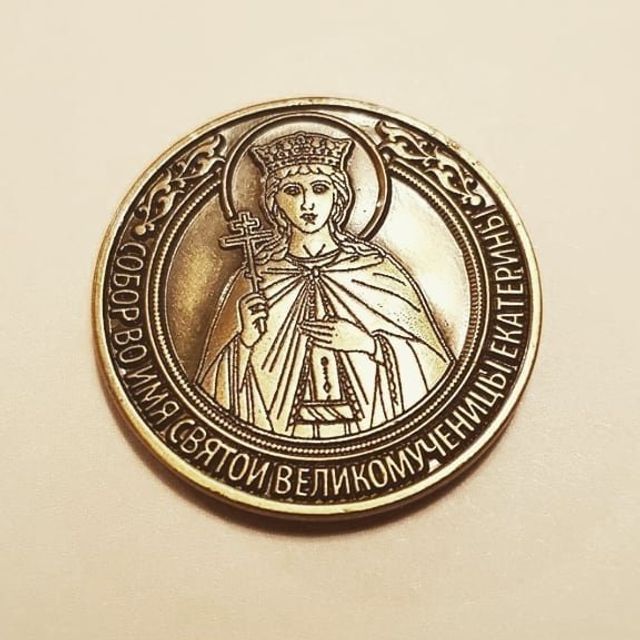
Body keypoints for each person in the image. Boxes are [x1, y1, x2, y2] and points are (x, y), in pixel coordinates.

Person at [196, 131, 453, 438]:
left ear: (338, 197)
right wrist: (245, 342)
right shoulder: (256, 280)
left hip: (367, 432)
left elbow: (435, 369)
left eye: (319, 189)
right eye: (292, 190)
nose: (307, 204)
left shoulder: (376, 271)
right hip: (282, 437)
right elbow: (208, 396)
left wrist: (368, 345)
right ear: (274, 201)